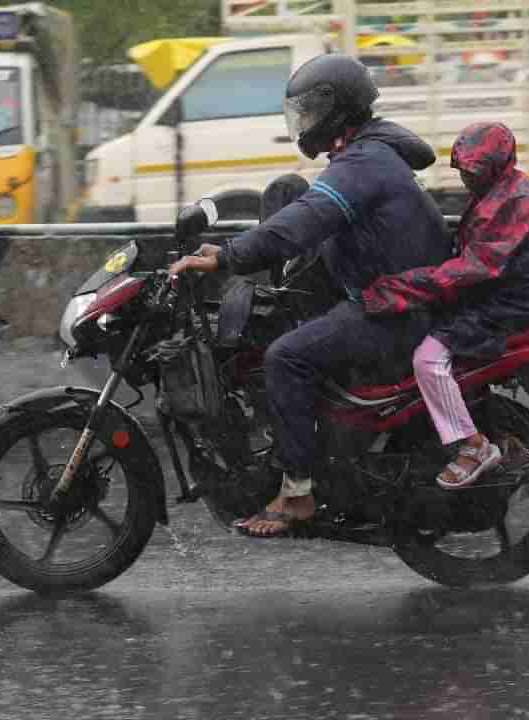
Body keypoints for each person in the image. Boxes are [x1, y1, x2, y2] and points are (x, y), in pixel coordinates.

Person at [169, 53, 450, 538]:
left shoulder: (364, 163)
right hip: (384, 294)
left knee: (285, 358)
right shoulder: (366, 153)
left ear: (336, 109)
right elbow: (306, 212)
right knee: (287, 195)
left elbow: (307, 220)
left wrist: (227, 257)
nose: (303, 124)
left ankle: (297, 491)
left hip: (393, 311)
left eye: (309, 112)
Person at [362, 121, 529, 489]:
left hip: (505, 307)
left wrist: (397, 288)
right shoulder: (502, 192)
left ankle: (473, 447)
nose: (468, 179)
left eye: (476, 171)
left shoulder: (512, 203)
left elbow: (471, 270)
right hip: (502, 295)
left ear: (496, 166)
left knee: (428, 359)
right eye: (465, 171)